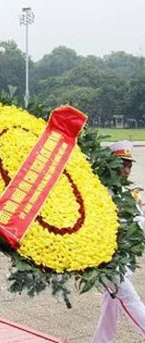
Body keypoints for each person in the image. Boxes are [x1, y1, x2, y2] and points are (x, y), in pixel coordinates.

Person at [91, 140, 145, 342]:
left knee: (111, 303)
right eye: (122, 163)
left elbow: (138, 221)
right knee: (130, 300)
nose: (126, 169)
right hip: (107, 260)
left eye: (129, 164)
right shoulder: (100, 192)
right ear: (110, 164)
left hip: (123, 258)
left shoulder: (127, 192)